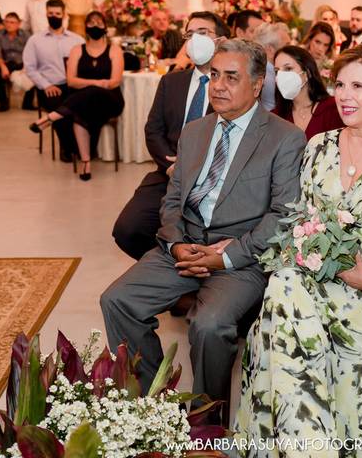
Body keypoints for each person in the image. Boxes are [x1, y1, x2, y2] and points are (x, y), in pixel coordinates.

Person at [235, 44, 362, 451]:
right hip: (317, 275)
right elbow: (301, 216)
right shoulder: (319, 146)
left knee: (280, 315)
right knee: (284, 288)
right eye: (340, 85)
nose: (345, 96)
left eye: (358, 86)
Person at [101, 39, 307, 419]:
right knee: (118, 300)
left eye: (231, 77)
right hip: (184, 246)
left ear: (257, 85)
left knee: (210, 325)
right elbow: (172, 199)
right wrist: (177, 244)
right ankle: (154, 407)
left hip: (241, 256)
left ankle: (206, 422)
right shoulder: (195, 131)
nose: (218, 86)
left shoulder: (284, 138)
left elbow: (283, 215)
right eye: (214, 75)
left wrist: (225, 257)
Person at [112, 11, 231, 260]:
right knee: (128, 230)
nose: (194, 40)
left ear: (220, 40)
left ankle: (186, 265)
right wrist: (171, 167)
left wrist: (192, 167)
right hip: (168, 173)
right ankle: (173, 264)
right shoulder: (171, 81)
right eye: (190, 34)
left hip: (212, 178)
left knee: (203, 235)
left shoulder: (231, 86)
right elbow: (153, 130)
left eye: (203, 33)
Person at [29, 11, 123, 180]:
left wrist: (90, 83)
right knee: (81, 111)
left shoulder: (114, 50)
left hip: (110, 101)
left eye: (99, 23)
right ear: (86, 27)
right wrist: (98, 82)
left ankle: (51, 117)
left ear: (105, 27)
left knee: (91, 91)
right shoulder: (77, 50)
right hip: (84, 102)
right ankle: (85, 162)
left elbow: (115, 81)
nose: (95, 26)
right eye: (91, 23)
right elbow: (71, 81)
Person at [23, 0, 84, 162]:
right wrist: (46, 85)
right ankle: (68, 148)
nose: (54, 16)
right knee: (60, 109)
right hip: (50, 87)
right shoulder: (35, 40)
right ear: (46, 14)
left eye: (57, 13)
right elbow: (30, 68)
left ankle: (84, 146)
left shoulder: (77, 40)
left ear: (64, 15)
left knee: (85, 105)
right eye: (50, 13)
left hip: (73, 86)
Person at [272, 45, 342, 139]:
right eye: (277, 71)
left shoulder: (332, 109)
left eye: (288, 69)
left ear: (307, 73)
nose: (281, 76)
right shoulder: (277, 115)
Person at [0, 12, 31, 111]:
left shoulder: (26, 35)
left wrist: (26, 67)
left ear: (18, 24)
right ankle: (3, 102)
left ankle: (27, 103)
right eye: (7, 22)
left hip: (22, 62)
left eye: (12, 22)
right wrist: (3, 67)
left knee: (34, 71)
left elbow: (30, 52)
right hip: (6, 62)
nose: (9, 24)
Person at [252, 22, 290, 111]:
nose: (291, 49)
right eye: (287, 45)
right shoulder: (266, 76)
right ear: (270, 49)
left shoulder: (267, 69)